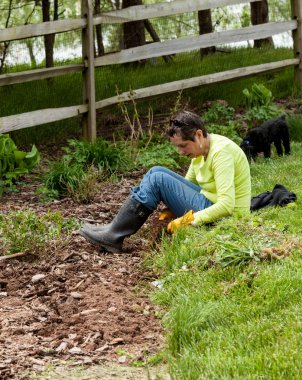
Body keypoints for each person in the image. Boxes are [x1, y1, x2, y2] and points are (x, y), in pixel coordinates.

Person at [79, 110, 251, 253]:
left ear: (199, 135)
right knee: (156, 171)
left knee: (158, 178)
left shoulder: (221, 153)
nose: (180, 152)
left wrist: (187, 220)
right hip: (208, 203)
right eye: (177, 147)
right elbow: (186, 184)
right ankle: (114, 229)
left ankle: (114, 235)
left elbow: (227, 205)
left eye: (183, 146)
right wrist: (172, 205)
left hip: (228, 217)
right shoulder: (201, 150)